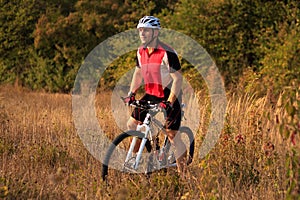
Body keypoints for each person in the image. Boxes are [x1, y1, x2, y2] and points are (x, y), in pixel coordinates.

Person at [124, 16, 187, 175]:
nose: (142, 33)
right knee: (132, 124)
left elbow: (177, 78)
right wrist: (131, 93)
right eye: (140, 30)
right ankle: (133, 160)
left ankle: (184, 174)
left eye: (146, 30)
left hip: (170, 93)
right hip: (152, 92)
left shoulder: (167, 52)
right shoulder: (140, 51)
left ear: (155, 32)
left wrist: (170, 101)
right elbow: (138, 74)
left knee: (172, 135)